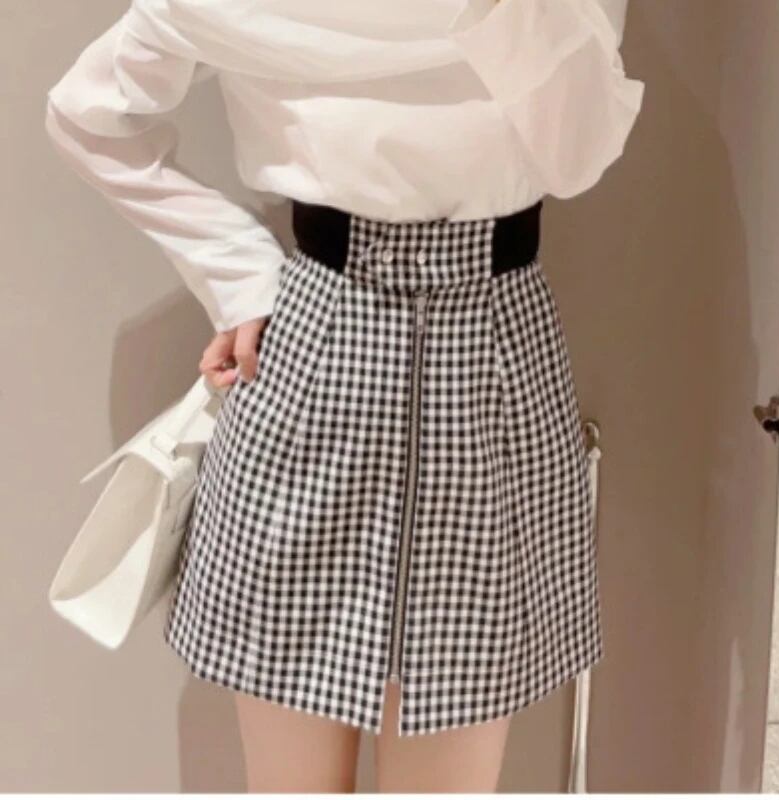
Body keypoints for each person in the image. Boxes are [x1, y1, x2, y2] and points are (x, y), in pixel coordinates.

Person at [44, 0, 645, 791]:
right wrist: (236, 272)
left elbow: (580, 157)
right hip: (315, 353)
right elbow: (87, 114)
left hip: (493, 358)